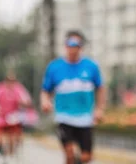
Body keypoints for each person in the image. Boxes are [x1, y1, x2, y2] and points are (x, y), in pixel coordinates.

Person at [40, 30, 105, 164]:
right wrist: (45, 102)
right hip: (64, 117)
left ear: (81, 47)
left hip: (85, 118)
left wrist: (99, 109)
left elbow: (101, 89)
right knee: (69, 153)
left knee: (86, 157)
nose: (73, 49)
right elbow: (45, 90)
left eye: (77, 45)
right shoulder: (54, 67)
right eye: (70, 44)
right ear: (65, 45)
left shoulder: (91, 66)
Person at [0, 69, 32, 161]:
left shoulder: (19, 89)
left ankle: (12, 151)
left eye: (13, 81)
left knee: (14, 134)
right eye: (9, 80)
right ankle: (0, 147)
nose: (11, 83)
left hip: (13, 116)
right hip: (1, 116)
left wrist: (23, 103)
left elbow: (26, 100)